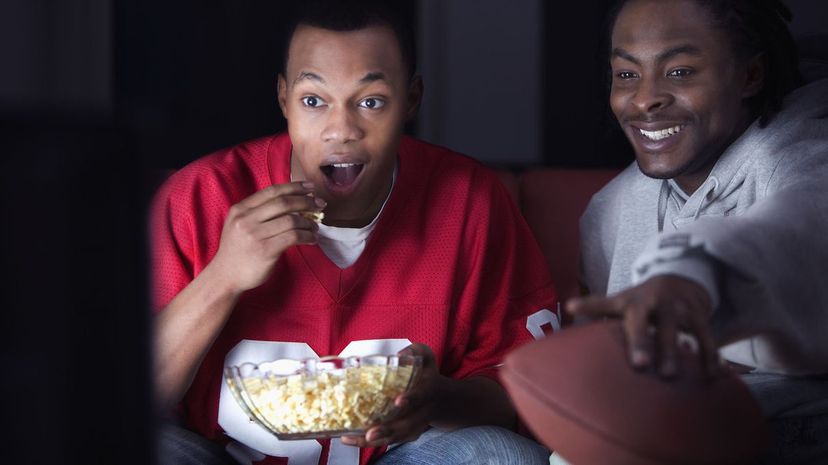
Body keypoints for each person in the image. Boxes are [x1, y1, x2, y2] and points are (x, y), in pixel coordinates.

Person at [150, 1, 556, 464]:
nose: (341, 130)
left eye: (370, 102)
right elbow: (128, 401)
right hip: (220, 458)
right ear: (283, 99)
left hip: (400, 457)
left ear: (411, 100)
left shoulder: (470, 201)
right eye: (313, 101)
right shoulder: (200, 195)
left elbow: (527, 400)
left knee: (502, 456)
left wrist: (437, 399)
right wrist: (221, 278)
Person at [567, 0, 828, 462]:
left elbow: (799, 223)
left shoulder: (800, 159)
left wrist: (690, 273)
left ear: (751, 76)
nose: (645, 98)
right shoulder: (609, 210)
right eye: (627, 74)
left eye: (681, 72)